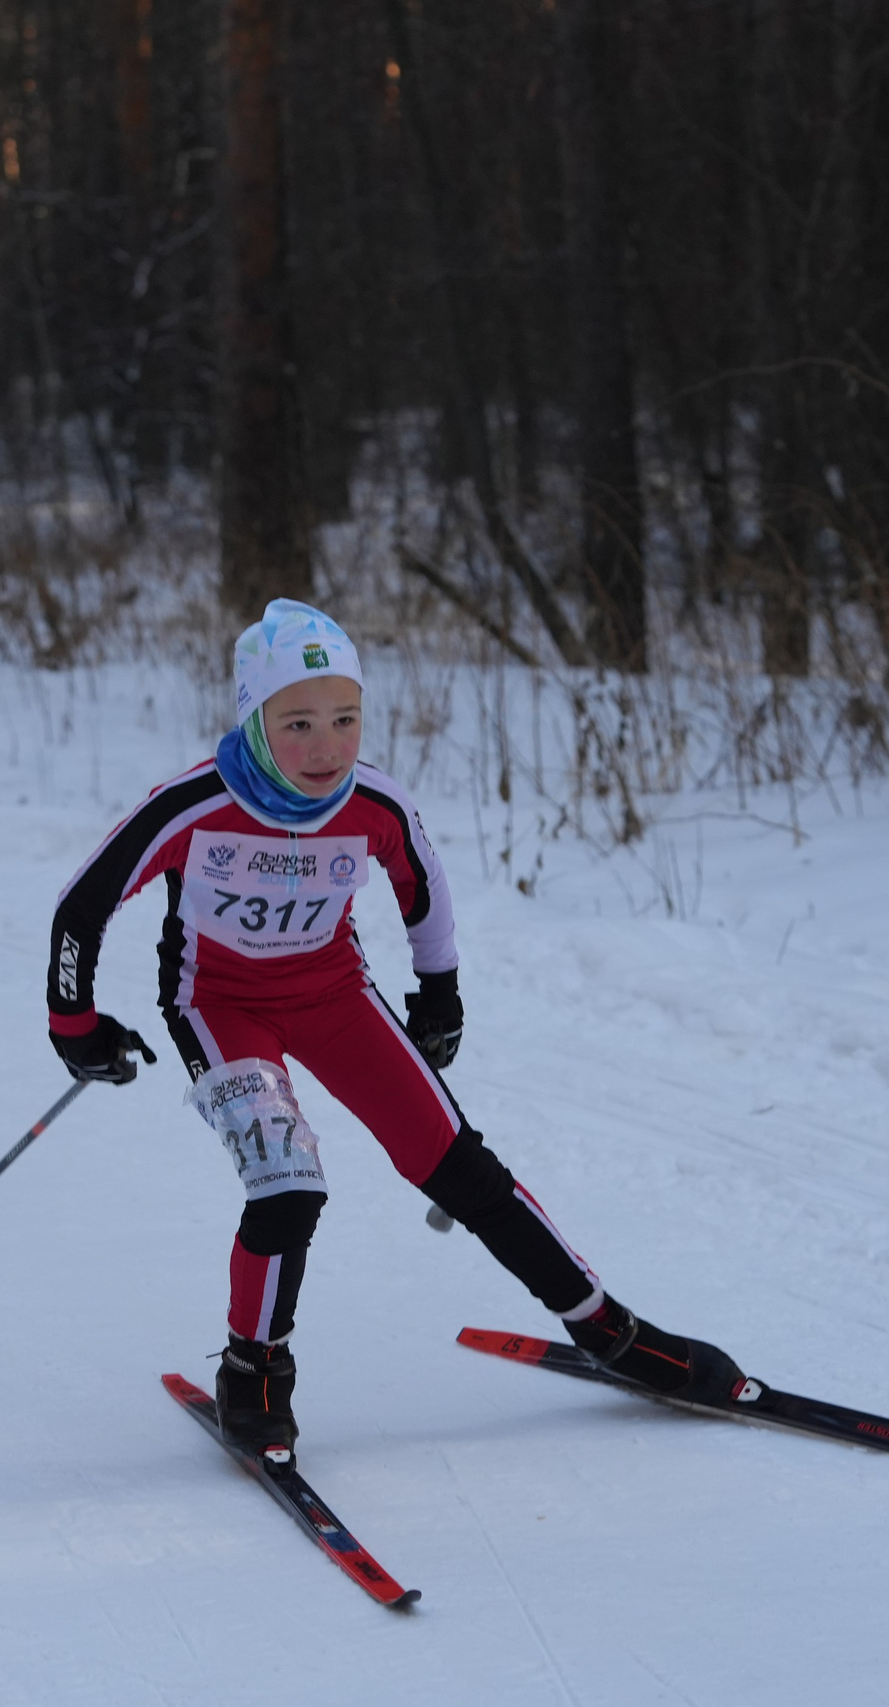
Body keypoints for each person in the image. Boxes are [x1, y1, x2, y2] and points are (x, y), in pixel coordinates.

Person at [45, 599, 742, 1449]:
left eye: (345, 718)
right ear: (254, 720)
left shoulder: (372, 800)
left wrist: (439, 992)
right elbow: (83, 906)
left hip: (335, 992)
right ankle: (251, 1371)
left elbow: (423, 890)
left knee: (459, 1165)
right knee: (287, 1182)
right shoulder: (194, 805)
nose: (326, 745)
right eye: (297, 722)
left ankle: (608, 1330)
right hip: (218, 1003)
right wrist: (73, 1021)